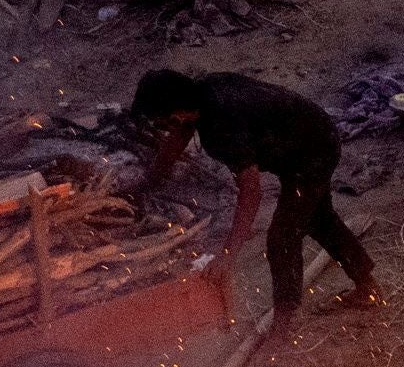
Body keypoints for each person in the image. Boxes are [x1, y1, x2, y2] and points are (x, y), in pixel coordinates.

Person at [131, 68, 381, 324]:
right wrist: (144, 184)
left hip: (311, 151)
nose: (165, 128)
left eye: (163, 122)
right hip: (312, 133)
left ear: (176, 114)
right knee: (319, 219)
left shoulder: (220, 129)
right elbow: (177, 139)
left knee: (282, 237)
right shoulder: (202, 93)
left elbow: (251, 193)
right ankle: (367, 288)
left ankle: (284, 325)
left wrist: (228, 255)